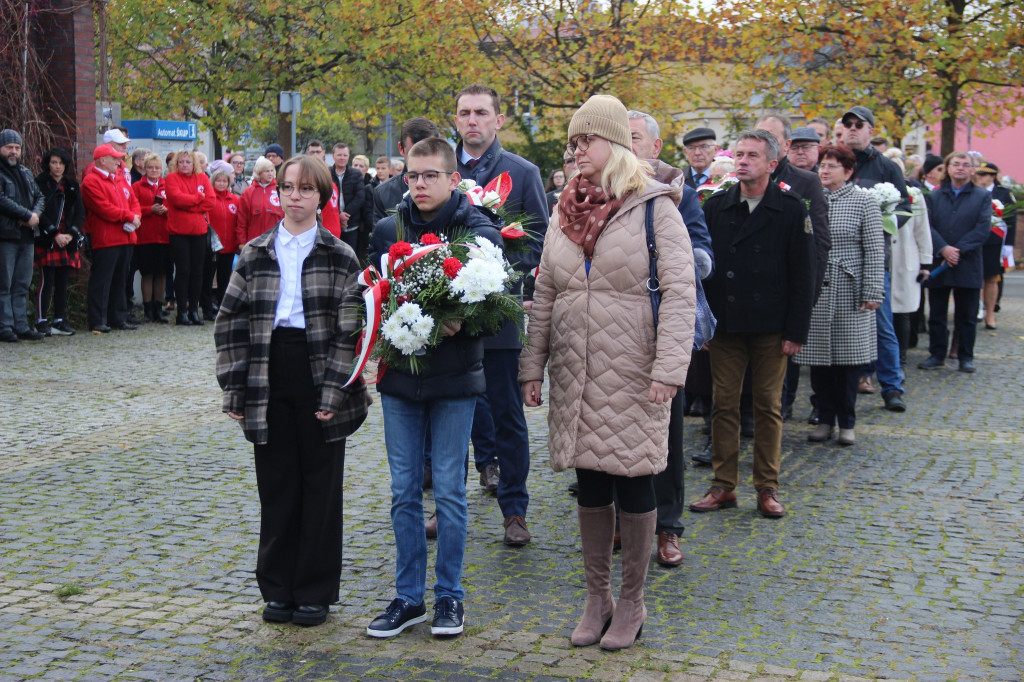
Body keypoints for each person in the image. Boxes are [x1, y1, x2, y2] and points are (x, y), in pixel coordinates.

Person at [520, 95, 696, 650]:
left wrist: (669, 369)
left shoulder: (655, 207)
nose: (577, 151)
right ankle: (597, 598)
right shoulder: (564, 210)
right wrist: (532, 365)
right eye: (572, 142)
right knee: (591, 480)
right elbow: (546, 291)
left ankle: (633, 602)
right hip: (575, 367)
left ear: (615, 144)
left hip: (633, 367)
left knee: (634, 477)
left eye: (586, 140)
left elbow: (681, 293)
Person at [215, 154, 369, 628]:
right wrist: (235, 387)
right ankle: (278, 587)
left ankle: (314, 591)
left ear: (322, 196)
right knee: (277, 483)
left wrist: (335, 391)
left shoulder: (339, 254)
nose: (295, 196)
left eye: (305, 189)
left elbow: (350, 330)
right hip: (269, 366)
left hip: (320, 365)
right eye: (287, 188)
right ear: (277, 193)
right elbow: (230, 322)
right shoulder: (255, 252)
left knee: (321, 485)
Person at [365, 137, 503, 640]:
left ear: (453, 179)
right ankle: (408, 597)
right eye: (412, 176)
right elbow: (372, 293)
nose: (419, 184)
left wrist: (461, 321)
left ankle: (449, 596)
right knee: (403, 490)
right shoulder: (388, 230)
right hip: (400, 376)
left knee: (448, 490)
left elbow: (496, 304)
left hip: (455, 378)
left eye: (430, 175)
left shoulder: (478, 230)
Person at [689, 129, 815, 519]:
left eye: (752, 156)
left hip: (771, 325)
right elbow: (703, 271)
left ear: (772, 164)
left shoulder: (790, 208)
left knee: (768, 407)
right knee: (724, 405)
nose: (742, 161)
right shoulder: (717, 205)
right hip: (727, 324)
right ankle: (723, 485)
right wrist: (703, 324)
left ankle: (767, 487)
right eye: (739, 154)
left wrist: (796, 331)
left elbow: (804, 275)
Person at [454, 83, 548, 545]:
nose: (472, 120)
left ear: (498, 120)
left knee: (508, 416)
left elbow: (540, 239)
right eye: (464, 113)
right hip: (448, 316)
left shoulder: (522, 173)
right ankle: (447, 507)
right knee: (449, 415)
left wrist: (501, 271)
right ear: (456, 120)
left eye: (481, 113)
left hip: (500, 314)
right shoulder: (441, 170)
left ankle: (515, 510)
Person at [627, 107, 714, 568]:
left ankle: (668, 527)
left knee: (667, 431)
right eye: (620, 137)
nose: (627, 145)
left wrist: (669, 259)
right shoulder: (599, 187)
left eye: (634, 137)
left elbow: (702, 252)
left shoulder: (679, 191)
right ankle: (624, 520)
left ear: (656, 146)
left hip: (662, 325)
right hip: (614, 328)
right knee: (618, 428)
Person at [795, 145, 885, 446]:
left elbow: (874, 249)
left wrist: (872, 290)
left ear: (848, 171)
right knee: (818, 361)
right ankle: (823, 418)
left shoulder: (864, 201)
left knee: (848, 361)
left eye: (832, 166)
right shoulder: (809, 199)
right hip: (817, 288)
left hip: (850, 289)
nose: (824, 170)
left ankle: (847, 422)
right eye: (822, 165)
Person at [841, 105, 910, 412]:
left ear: (871, 130)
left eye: (859, 125)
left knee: (882, 326)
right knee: (839, 325)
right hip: (838, 259)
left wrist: (881, 224)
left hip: (874, 259)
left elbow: (904, 208)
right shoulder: (834, 161)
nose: (853, 129)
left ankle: (892, 387)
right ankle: (840, 390)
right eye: (848, 124)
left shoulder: (886, 167)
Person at [919, 152, 993, 373]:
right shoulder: (934, 196)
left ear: (972, 170)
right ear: (948, 168)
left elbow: (982, 229)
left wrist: (958, 250)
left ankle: (965, 356)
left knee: (967, 315)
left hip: (967, 262)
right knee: (937, 313)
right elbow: (927, 226)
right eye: (956, 164)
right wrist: (944, 248)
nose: (960, 168)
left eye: (966, 165)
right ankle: (937, 354)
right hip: (940, 261)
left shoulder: (982, 196)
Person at [81, 143, 141, 334]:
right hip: (106, 238)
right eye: (114, 158)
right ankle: (98, 320)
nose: (118, 161)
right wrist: (129, 216)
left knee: (120, 279)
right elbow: (104, 208)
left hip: (126, 236)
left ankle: (118, 317)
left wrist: (135, 216)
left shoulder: (120, 179)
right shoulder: (91, 181)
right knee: (102, 280)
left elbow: (134, 202)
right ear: (102, 160)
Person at [33, 147, 84, 336]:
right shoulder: (39, 183)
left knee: (63, 281)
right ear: (48, 164)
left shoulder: (72, 185)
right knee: (47, 280)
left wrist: (71, 233)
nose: (57, 166)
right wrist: (55, 234)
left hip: (67, 238)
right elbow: (39, 212)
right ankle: (41, 321)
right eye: (54, 162)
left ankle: (59, 320)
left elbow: (80, 212)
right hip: (48, 238)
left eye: (61, 163)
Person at [0, 129, 46, 342]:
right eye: (9, 147)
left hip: (26, 237)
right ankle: (5, 326)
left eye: (17, 148)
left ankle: (21, 325)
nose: (13, 151)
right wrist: (27, 215)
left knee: (22, 284)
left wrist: (34, 216)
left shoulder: (26, 172)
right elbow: (2, 200)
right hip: (5, 236)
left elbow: (40, 197)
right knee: (4, 284)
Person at [165, 149, 215, 326]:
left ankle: (194, 310)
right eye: (181, 162)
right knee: (183, 270)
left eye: (188, 162)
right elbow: (176, 199)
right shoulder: (172, 178)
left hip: (199, 232)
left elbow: (211, 201)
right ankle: (182, 312)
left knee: (197, 271)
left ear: (194, 163)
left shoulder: (202, 178)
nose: (184, 165)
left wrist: (190, 206)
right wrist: (198, 199)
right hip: (178, 232)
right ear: (176, 164)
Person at [973, 161, 1016, 329]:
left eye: (984, 175)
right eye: (979, 174)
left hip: (994, 241)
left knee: (991, 278)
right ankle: (976, 308)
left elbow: (1011, 219)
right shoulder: (972, 191)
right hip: (974, 239)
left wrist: (1009, 244)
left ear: (993, 176)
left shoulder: (1003, 193)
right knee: (974, 276)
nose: (980, 178)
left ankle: (990, 314)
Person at [373, 118, 441, 222]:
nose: (421, 160)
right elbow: (381, 231)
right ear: (401, 148)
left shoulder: (453, 188)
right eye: (414, 153)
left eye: (428, 152)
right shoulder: (383, 193)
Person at [131, 152, 171, 323]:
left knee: (161, 273)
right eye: (151, 167)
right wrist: (149, 210)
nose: (154, 170)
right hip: (145, 236)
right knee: (147, 273)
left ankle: (158, 308)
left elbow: (174, 205)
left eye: (157, 168)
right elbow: (133, 208)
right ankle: (148, 309)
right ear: (144, 169)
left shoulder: (167, 186)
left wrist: (166, 210)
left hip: (164, 236)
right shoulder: (137, 187)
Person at [207, 161, 240, 307]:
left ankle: (223, 306)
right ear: (213, 182)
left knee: (225, 278)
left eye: (224, 181)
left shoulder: (235, 200)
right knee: (208, 278)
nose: (221, 184)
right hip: (212, 246)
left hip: (229, 246)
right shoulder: (209, 199)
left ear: (228, 183)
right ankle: (207, 307)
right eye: (218, 181)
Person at [329, 143, 367, 258]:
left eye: (345, 155)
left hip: (351, 223)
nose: (342, 158)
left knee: (350, 256)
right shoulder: (327, 173)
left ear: (349, 156)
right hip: (331, 223)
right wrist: (338, 215)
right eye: (339, 155)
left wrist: (345, 214)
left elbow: (360, 197)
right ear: (333, 156)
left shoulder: (356, 174)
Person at [236, 156, 284, 246]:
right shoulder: (248, 193)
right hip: (254, 241)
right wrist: (242, 242)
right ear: (259, 173)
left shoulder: (280, 190)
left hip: (276, 240)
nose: (270, 174)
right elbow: (242, 220)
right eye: (266, 171)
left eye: (272, 170)